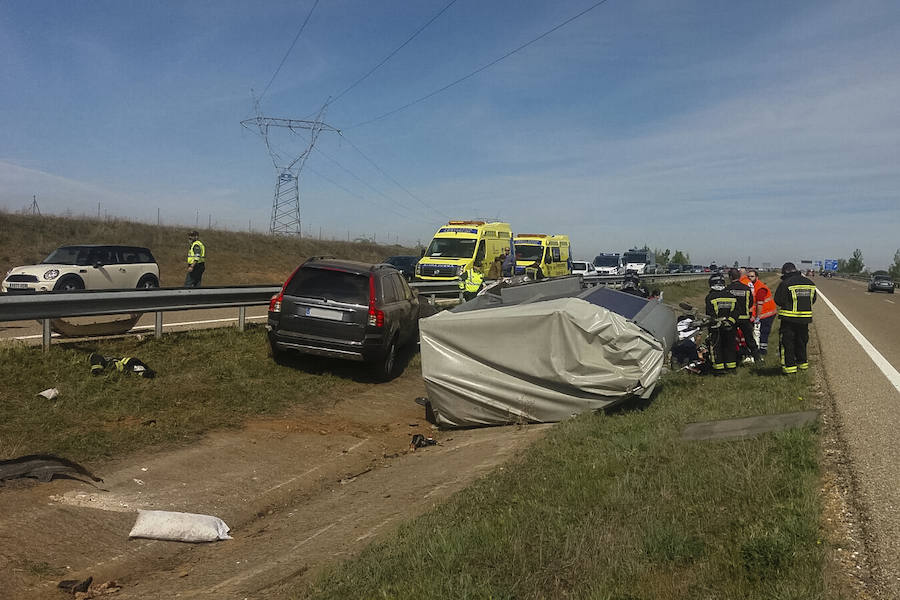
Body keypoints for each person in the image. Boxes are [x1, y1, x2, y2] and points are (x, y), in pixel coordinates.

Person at [774, 262, 817, 374]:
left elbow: (778, 300)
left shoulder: (786, 283)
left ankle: (789, 368)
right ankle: (802, 365)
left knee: (787, 343)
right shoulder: (810, 283)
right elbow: (813, 299)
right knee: (802, 342)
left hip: (789, 319)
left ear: (786, 271)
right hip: (805, 319)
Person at [726, 268, 761, 363]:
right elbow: (750, 303)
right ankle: (757, 358)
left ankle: (733, 360)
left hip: (732, 318)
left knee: (732, 340)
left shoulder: (728, 289)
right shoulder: (746, 288)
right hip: (745, 318)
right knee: (750, 340)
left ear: (730, 277)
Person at [705, 273, 737, 373]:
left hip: (716, 327)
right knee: (730, 346)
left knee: (716, 346)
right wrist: (730, 322)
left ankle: (719, 369)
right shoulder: (731, 296)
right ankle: (731, 367)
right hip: (730, 326)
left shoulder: (710, 297)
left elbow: (710, 314)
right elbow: (736, 312)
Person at [747, 268, 777, 355]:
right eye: (748, 276)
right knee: (758, 332)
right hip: (762, 313)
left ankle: (763, 351)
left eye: (752, 276)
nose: (750, 278)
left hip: (766, 314)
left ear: (757, 277)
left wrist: (757, 317)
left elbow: (759, 304)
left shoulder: (760, 288)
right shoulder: (751, 287)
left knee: (763, 332)